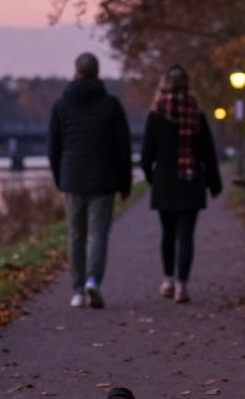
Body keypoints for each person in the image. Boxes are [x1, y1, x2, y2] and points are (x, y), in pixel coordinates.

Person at [47, 52, 133, 309]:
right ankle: (93, 280)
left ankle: (76, 291)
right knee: (98, 233)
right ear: (98, 73)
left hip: (71, 179)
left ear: (76, 72)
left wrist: (59, 177)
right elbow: (123, 148)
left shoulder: (61, 105)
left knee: (75, 235)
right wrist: (125, 183)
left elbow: (54, 147)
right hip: (103, 179)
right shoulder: (111, 105)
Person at [139, 65, 223, 304]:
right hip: (191, 182)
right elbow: (208, 152)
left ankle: (167, 280)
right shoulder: (196, 114)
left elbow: (146, 155)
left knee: (167, 234)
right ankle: (181, 286)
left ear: (164, 84)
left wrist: (150, 177)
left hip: (165, 183)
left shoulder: (155, 115)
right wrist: (214, 184)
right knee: (186, 235)